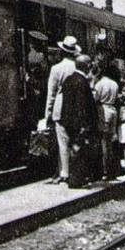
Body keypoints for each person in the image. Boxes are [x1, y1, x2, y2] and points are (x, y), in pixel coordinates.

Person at [43, 35, 81, 184]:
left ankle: (64, 172)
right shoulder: (77, 67)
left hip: (60, 107)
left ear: (62, 51)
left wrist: (48, 114)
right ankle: (76, 170)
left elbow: (51, 94)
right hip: (76, 107)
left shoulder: (56, 68)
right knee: (75, 140)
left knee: (62, 142)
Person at [59, 54, 98, 188]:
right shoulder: (82, 81)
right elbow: (81, 105)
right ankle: (76, 180)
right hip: (78, 123)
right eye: (90, 65)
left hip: (67, 121)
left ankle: (74, 178)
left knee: (73, 149)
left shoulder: (68, 79)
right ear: (87, 66)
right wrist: (83, 125)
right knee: (79, 150)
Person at [94, 65, 120, 181]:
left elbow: (95, 98)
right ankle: (113, 168)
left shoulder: (99, 84)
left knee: (104, 141)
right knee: (111, 142)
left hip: (103, 110)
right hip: (113, 110)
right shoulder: (115, 84)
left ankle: (105, 170)